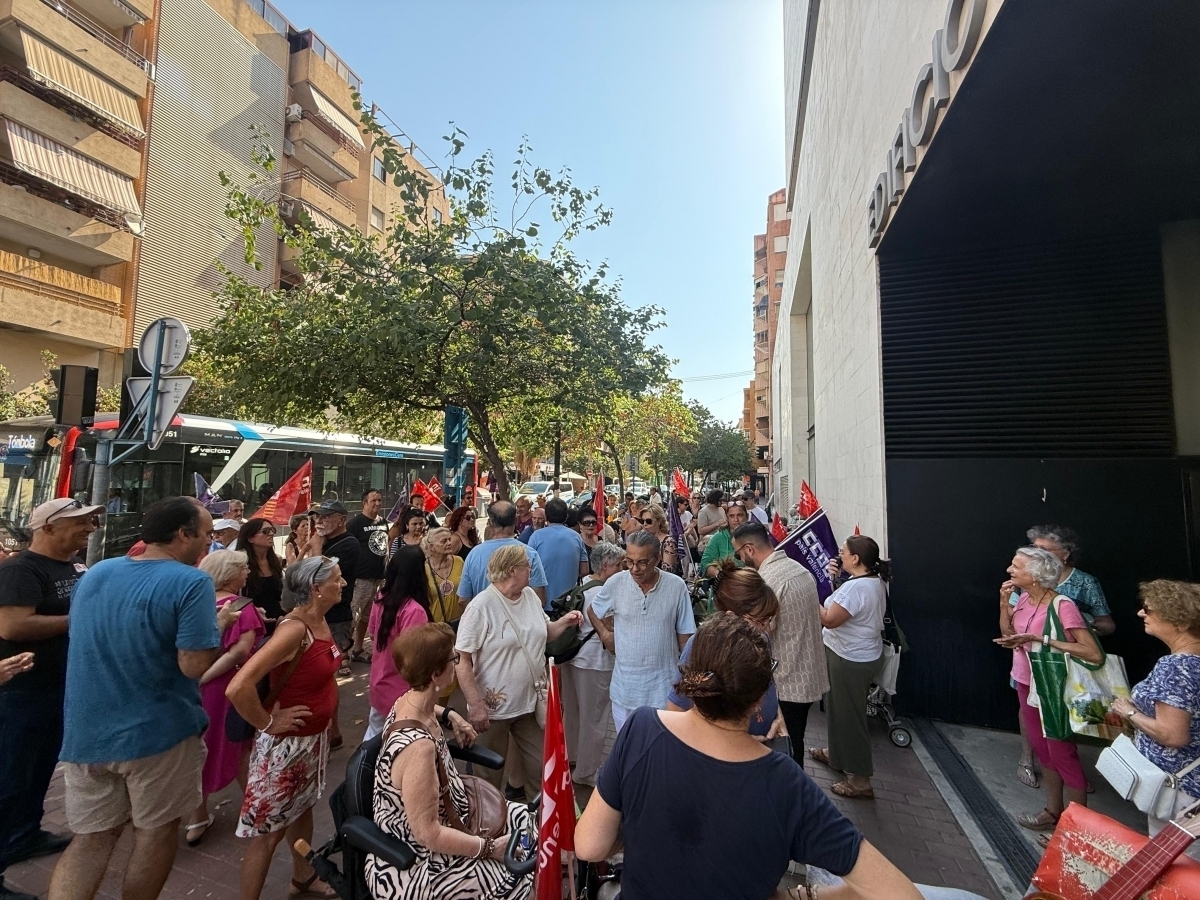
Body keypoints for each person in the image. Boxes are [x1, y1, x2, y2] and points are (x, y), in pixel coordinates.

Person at [575, 614, 924, 900]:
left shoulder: (641, 730)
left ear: (693, 677)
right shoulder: (786, 783)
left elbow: (589, 845)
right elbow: (902, 894)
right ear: (760, 700)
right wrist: (803, 896)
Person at [49, 497, 223, 900]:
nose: (209, 542)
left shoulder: (97, 572)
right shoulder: (192, 582)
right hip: (157, 735)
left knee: (91, 840)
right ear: (183, 534)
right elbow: (194, 664)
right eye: (206, 533)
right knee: (156, 832)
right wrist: (216, 627)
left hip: (87, 733)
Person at [368, 622, 532, 900]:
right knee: (519, 877)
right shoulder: (419, 749)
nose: (457, 663)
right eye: (453, 659)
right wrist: (488, 848)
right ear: (435, 674)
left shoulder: (406, 700)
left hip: (456, 812)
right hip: (418, 861)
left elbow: (426, 705)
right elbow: (428, 834)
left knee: (534, 823)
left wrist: (450, 715)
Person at [227, 555, 345, 900]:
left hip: (311, 741)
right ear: (316, 588)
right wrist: (268, 722)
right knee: (268, 834)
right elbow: (237, 687)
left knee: (302, 808)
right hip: (285, 748)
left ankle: (303, 877)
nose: (343, 583)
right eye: (337, 579)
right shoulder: (294, 630)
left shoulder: (319, 620)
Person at [0, 499, 99, 900]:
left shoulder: (75, 567)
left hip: (58, 688)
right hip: (22, 692)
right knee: (10, 778)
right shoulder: (20, 570)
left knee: (38, 769)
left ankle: (24, 836)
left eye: (91, 521)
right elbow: (13, 625)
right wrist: (79, 621)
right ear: (49, 527)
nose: (90, 528)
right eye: (80, 522)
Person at [455, 544, 583, 800]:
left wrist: (564, 622)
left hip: (531, 704)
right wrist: (475, 706)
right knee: (488, 775)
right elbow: (462, 659)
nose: (531, 569)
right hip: (492, 712)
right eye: (527, 565)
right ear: (512, 570)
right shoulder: (481, 607)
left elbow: (544, 633)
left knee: (541, 767)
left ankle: (539, 819)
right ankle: (489, 821)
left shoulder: (530, 597)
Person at [993, 546, 1101, 833]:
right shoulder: (1023, 598)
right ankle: (1053, 811)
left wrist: (1042, 640)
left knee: (1062, 753)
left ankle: (1073, 829)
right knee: (1043, 750)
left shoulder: (1063, 605)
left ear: (1036, 574)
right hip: (1026, 682)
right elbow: (1008, 633)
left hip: (1054, 687)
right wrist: (1003, 604)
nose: (1009, 570)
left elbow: (1092, 652)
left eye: (1016, 566)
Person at [1004, 525, 1116, 789]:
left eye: (1044, 550)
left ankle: (1072, 786)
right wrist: (1004, 604)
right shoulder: (1024, 591)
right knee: (1035, 725)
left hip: (1061, 669)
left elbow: (1104, 627)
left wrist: (1080, 628)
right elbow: (1011, 621)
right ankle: (1031, 763)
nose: (1036, 554)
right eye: (1034, 548)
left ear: (1065, 554)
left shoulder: (1077, 590)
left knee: (1060, 739)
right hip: (1029, 667)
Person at [1110, 580, 1200, 845]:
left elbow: (1173, 735)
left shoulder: (1176, 667)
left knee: (1174, 863)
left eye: (1149, 609)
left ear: (1179, 622)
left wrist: (1129, 712)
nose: (1141, 613)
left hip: (1182, 792)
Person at [188, 550, 266, 846]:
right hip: (228, 686)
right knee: (240, 747)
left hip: (195, 687)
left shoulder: (197, 604)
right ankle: (254, 809)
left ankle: (197, 817)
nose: (248, 572)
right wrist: (206, 677)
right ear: (229, 573)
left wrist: (198, 678)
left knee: (199, 749)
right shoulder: (241, 606)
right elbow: (240, 652)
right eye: (243, 568)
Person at [808, 535, 892, 800]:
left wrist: (811, 596)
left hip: (851, 659)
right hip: (851, 654)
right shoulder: (869, 581)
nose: (839, 556)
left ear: (855, 558)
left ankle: (860, 779)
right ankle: (837, 754)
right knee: (838, 710)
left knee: (850, 718)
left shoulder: (858, 588)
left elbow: (830, 620)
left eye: (843, 552)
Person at [733, 522, 827, 754]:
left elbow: (758, 631)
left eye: (738, 554)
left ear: (749, 549)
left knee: (784, 746)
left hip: (785, 681)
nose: (740, 559)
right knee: (795, 740)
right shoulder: (799, 569)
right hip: (807, 676)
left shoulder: (767, 580)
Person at [588, 530, 696, 732]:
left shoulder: (676, 586)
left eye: (642, 563)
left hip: (664, 692)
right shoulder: (616, 583)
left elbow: (685, 638)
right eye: (629, 562)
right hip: (625, 691)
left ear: (657, 559)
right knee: (628, 747)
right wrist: (605, 634)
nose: (634, 569)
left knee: (660, 747)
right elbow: (593, 610)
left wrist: (688, 682)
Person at [667, 561, 784, 739]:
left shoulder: (761, 639)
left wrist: (778, 716)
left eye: (769, 619)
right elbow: (676, 710)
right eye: (760, 621)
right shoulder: (701, 647)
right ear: (731, 617)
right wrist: (740, 743)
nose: (767, 628)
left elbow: (767, 688)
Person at [561, 542, 624, 787]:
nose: (622, 570)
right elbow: (610, 627)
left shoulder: (583, 584)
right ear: (605, 566)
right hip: (595, 662)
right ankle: (586, 771)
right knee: (595, 717)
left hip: (573, 657)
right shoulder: (604, 593)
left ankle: (572, 758)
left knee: (573, 713)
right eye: (618, 565)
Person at [365, 546, 432, 740]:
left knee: (374, 736)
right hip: (403, 690)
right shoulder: (414, 610)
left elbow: (372, 635)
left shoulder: (380, 598)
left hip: (379, 682)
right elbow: (415, 656)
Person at [310, 499, 358, 744]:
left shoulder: (349, 544)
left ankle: (333, 731)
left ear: (341, 520)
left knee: (327, 676)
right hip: (316, 614)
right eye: (317, 516)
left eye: (326, 517)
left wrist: (316, 549)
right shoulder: (323, 540)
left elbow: (317, 576)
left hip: (336, 618)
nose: (319, 521)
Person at [457, 501, 548, 607]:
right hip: (519, 616)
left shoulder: (473, 554)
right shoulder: (530, 554)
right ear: (515, 521)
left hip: (484, 616)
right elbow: (539, 599)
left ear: (490, 523)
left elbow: (463, 599)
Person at [349, 489, 390, 662]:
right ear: (364, 503)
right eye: (373, 500)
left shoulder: (383, 522)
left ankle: (358, 649)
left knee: (367, 617)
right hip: (361, 579)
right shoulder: (355, 523)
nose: (378, 503)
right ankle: (342, 654)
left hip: (379, 578)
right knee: (354, 616)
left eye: (379, 500)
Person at [527, 498, 588, 609]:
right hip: (569, 603)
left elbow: (527, 568)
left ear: (546, 517)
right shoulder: (576, 537)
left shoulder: (536, 536)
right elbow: (584, 570)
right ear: (566, 517)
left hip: (542, 603)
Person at [239, 518, 284, 623]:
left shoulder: (276, 561)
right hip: (251, 621)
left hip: (277, 619)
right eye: (266, 531)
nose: (271, 534)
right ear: (250, 538)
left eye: (272, 530)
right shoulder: (241, 564)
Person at [421, 527, 463, 628]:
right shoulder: (423, 568)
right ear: (432, 547)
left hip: (459, 623)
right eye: (444, 541)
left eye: (449, 539)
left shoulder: (459, 561)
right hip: (435, 626)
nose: (449, 543)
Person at [701, 500, 747, 577]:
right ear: (727, 518)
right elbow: (705, 563)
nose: (736, 520)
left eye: (739, 515)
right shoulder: (718, 537)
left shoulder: (755, 536)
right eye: (732, 516)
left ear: (747, 516)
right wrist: (720, 575)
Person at [695, 489, 727, 554]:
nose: (722, 502)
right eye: (720, 500)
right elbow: (700, 530)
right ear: (715, 499)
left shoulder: (721, 509)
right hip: (707, 546)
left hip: (720, 544)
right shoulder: (704, 511)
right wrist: (717, 524)